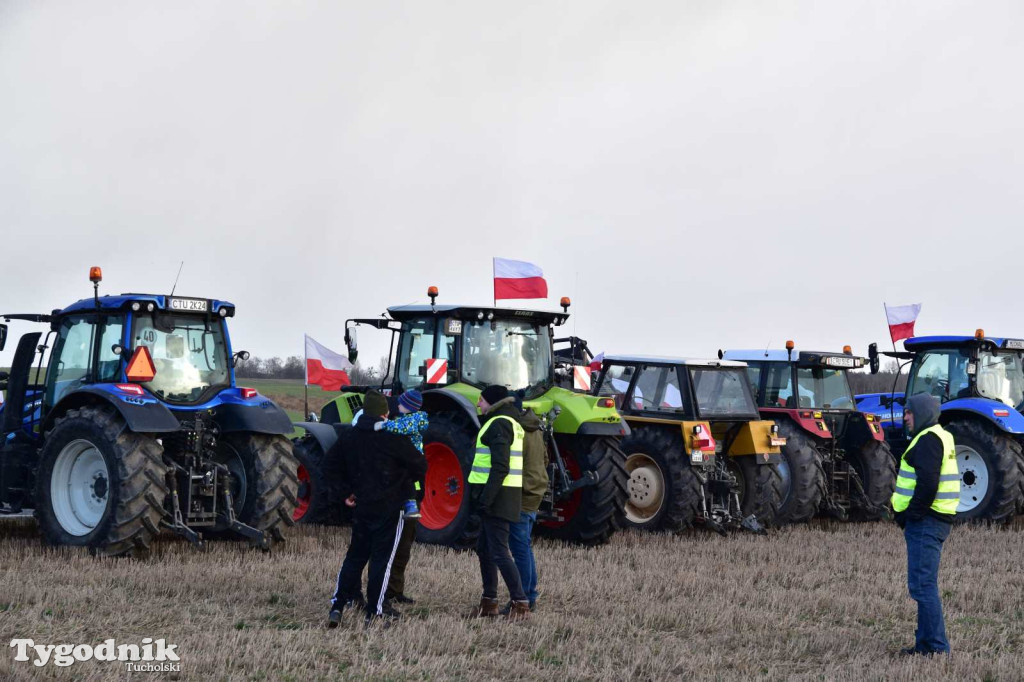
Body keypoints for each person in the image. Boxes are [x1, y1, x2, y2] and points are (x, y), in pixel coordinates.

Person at [327, 389, 427, 628]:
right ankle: (375, 612)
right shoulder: (393, 437)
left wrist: (345, 492)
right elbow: (420, 465)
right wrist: (403, 482)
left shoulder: (349, 437)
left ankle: (337, 606)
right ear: (385, 413)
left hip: (362, 506)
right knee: (382, 560)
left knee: (354, 557)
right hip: (390, 508)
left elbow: (329, 466)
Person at [892, 393, 959, 656]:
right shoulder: (940, 436)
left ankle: (938, 648)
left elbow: (928, 484)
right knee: (923, 585)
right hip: (933, 520)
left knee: (923, 586)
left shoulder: (928, 439)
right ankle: (925, 645)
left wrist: (911, 515)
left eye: (909, 412)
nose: (905, 417)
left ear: (921, 413)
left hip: (927, 522)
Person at [466, 385, 531, 621]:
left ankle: (520, 603)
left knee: (500, 552)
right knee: (485, 549)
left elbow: (501, 466)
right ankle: (489, 602)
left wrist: (485, 499)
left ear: (492, 402)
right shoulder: (507, 421)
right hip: (499, 496)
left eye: (481, 400)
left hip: (497, 498)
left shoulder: (499, 424)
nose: (478, 404)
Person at [380, 389, 428, 604]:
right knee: (395, 544)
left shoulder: (406, 424)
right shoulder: (405, 426)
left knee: (402, 544)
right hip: (402, 488)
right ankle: (386, 590)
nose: (397, 406)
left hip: (407, 489)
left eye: (400, 403)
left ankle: (393, 590)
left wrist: (383, 425)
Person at [501, 401, 548, 613]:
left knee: (520, 548)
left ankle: (524, 597)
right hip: (536, 490)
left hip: (522, 493)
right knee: (525, 546)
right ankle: (529, 594)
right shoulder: (536, 428)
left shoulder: (517, 430)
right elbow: (545, 459)